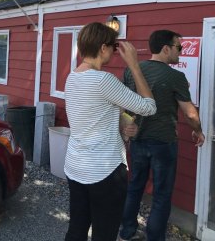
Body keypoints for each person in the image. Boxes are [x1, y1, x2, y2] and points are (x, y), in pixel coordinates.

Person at [64, 22, 157, 241]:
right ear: (103, 48)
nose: (114, 54)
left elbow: (94, 113)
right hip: (105, 171)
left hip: (76, 167)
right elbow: (149, 107)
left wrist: (123, 121)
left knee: (76, 228)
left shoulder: (72, 77)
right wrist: (134, 65)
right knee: (104, 233)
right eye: (114, 48)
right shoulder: (103, 79)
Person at [118, 30, 205, 241]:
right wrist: (198, 130)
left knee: (135, 187)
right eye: (178, 47)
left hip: (138, 141)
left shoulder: (131, 71)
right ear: (166, 48)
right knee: (162, 195)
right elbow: (190, 113)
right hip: (163, 144)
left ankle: (126, 231)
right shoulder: (175, 76)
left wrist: (126, 129)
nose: (181, 52)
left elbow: (122, 105)